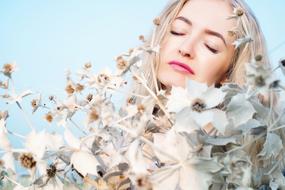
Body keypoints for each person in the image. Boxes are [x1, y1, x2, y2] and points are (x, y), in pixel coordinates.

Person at [128, 0, 270, 105]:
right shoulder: (116, 135)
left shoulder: (237, 145)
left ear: (229, 74)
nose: (185, 49)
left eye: (210, 46)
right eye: (178, 31)